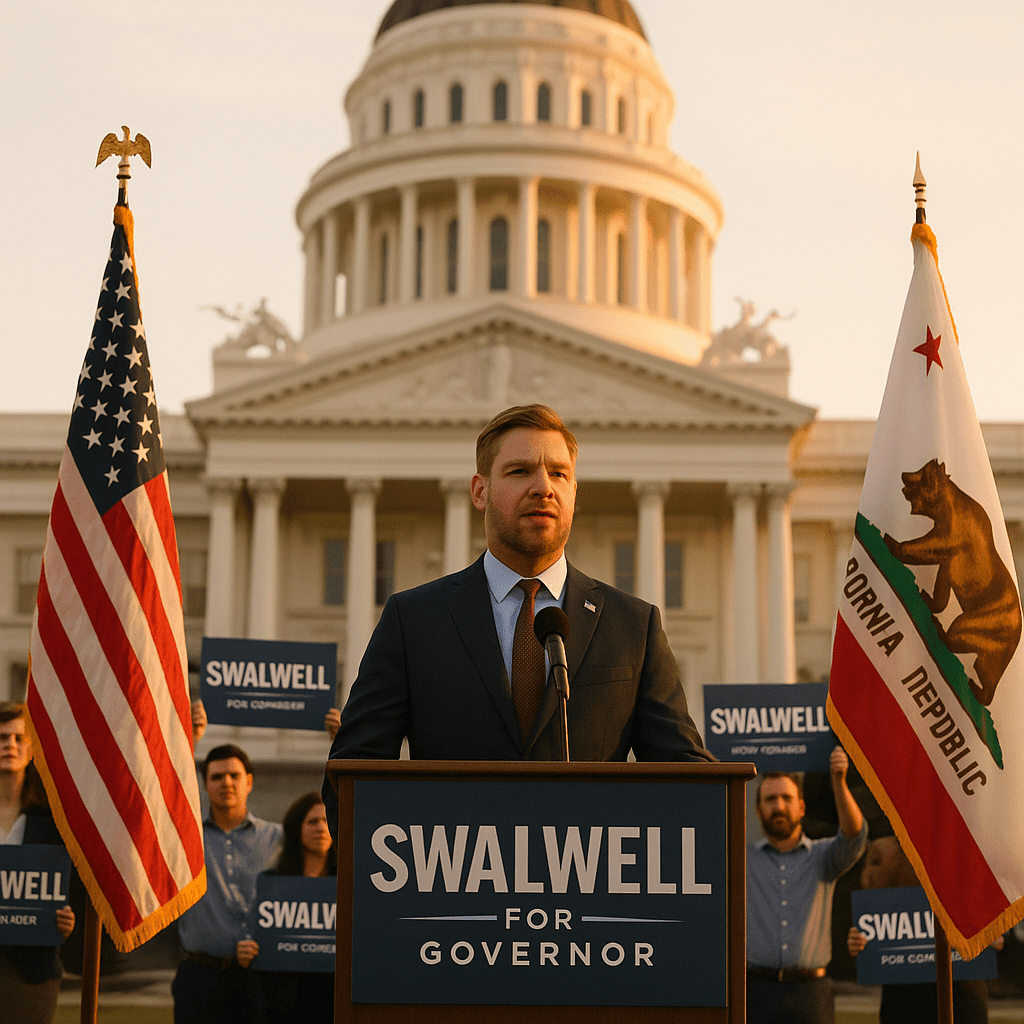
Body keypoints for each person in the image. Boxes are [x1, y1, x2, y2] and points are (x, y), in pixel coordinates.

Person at [323, 403, 712, 832]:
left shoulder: (633, 626)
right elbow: (352, 777)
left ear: (574, 493)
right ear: (479, 491)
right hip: (452, 889)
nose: (544, 487)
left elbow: (688, 781)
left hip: (588, 891)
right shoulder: (413, 621)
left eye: (559, 474)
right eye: (520, 471)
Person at [746, 747, 868, 1024]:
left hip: (812, 995)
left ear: (802, 807)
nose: (778, 806)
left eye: (787, 798)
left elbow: (855, 834)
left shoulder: (824, 857)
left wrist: (838, 781)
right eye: (770, 799)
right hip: (755, 992)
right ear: (757, 809)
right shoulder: (742, 860)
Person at [172, 744, 282, 1024]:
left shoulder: (278, 839)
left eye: (234, 775)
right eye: (217, 777)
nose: (227, 783)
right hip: (200, 977)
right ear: (205, 784)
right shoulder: (186, 837)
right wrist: (191, 739)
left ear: (249, 781)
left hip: (261, 976)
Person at [847, 836, 992, 1023]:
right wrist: (860, 938)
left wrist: (993, 932)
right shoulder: (885, 850)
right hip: (905, 991)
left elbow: (984, 902)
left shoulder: (968, 843)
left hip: (963, 984)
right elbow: (872, 913)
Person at [0, 703, 75, 1024]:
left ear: (32, 750)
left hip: (32, 971)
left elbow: (68, 891)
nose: (10, 745)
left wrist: (68, 918)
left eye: (19, 738)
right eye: (2, 737)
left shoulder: (55, 822)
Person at [237, 792, 336, 1023]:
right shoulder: (272, 883)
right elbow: (255, 938)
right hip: (282, 1006)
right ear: (296, 828)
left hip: (332, 1004)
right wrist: (246, 951)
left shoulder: (349, 885)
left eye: (327, 821)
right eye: (312, 821)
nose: (321, 828)